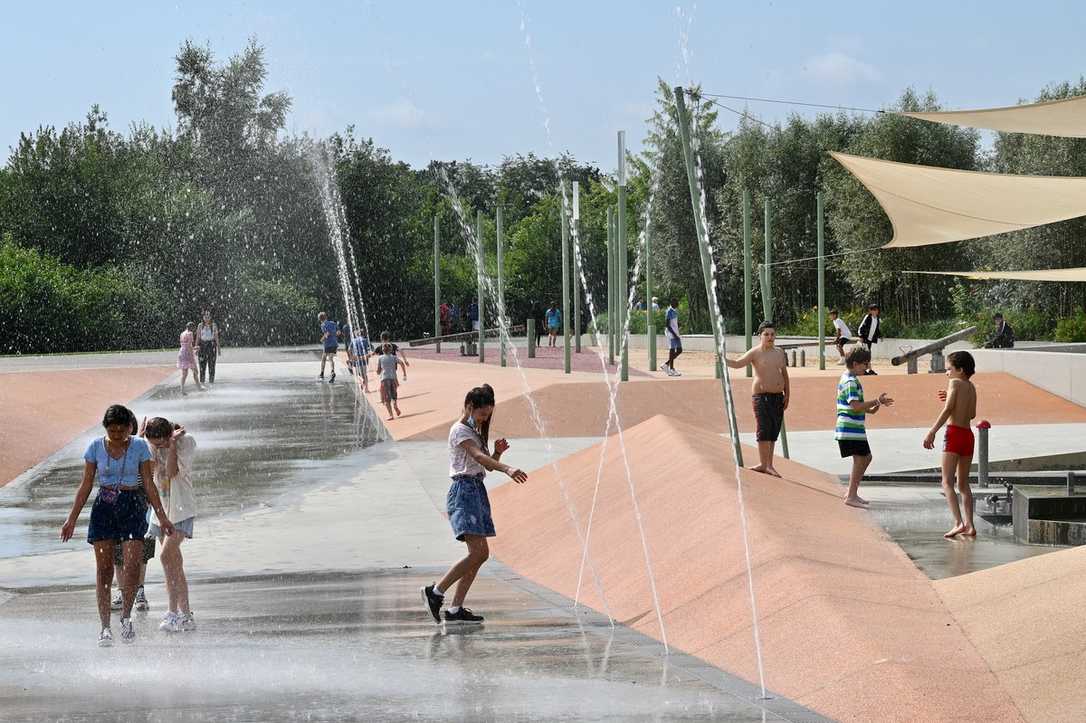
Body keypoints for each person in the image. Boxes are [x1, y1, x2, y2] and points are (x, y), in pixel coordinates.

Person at [60, 405, 175, 646]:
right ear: (106, 429)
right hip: (104, 507)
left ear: (129, 428)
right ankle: (104, 627)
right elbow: (86, 485)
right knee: (104, 570)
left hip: (132, 505)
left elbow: (148, 483)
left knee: (132, 565)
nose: (117, 436)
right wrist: (71, 519)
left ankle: (126, 617)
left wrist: (162, 516)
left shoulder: (139, 446)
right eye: (112, 431)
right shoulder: (95, 447)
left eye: (121, 431)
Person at [421, 384, 528, 626]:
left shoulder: (473, 431)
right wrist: (508, 469)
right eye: (481, 414)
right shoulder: (460, 430)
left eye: (487, 415)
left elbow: (486, 464)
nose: (484, 419)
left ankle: (455, 609)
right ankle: (435, 592)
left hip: (476, 490)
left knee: (480, 555)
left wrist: (498, 454)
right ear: (469, 406)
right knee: (478, 553)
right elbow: (478, 457)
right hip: (464, 492)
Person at [143, 416, 198, 632]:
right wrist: (141, 441)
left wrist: (172, 445)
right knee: (174, 565)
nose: (158, 448)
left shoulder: (186, 442)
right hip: (161, 513)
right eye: (154, 444)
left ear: (169, 436)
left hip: (181, 509)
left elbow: (172, 471)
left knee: (166, 556)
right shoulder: (150, 445)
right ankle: (186, 615)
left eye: (161, 443)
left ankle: (172, 613)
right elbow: (146, 472)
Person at [924, 351, 979, 538]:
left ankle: (958, 523)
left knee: (947, 481)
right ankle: (970, 525)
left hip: (954, 434)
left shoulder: (954, 382)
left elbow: (948, 409)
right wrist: (952, 397)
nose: (947, 373)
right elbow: (972, 414)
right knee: (963, 484)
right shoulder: (971, 386)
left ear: (960, 370)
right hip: (968, 435)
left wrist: (932, 431)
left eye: (949, 369)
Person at [725, 321, 789, 477]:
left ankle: (769, 464)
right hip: (761, 396)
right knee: (763, 429)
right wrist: (723, 359)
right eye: (766, 334)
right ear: (760, 336)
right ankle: (763, 464)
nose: (770, 337)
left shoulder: (779, 352)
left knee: (773, 431)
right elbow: (738, 363)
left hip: (778, 397)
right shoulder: (755, 352)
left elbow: (784, 374)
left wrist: (787, 394)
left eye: (772, 334)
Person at [835, 347, 894, 508]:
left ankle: (852, 493)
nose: (867, 368)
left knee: (864, 458)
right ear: (855, 364)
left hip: (853, 428)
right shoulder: (850, 382)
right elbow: (855, 406)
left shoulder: (849, 378)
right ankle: (851, 495)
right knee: (863, 458)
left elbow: (855, 406)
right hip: (850, 428)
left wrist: (872, 408)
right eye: (865, 364)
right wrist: (876, 401)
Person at [377, 343, 406, 420]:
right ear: (391, 350)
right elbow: (402, 363)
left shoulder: (380, 358)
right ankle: (395, 405)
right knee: (394, 395)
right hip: (393, 379)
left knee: (386, 398)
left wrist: (378, 372)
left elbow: (378, 370)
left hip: (384, 379)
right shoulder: (394, 357)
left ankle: (391, 415)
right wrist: (404, 374)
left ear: (382, 350)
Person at [195, 310, 220, 386]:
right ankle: (202, 381)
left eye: (208, 317)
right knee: (202, 363)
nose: (206, 318)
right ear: (203, 317)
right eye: (205, 317)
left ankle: (211, 381)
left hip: (211, 345)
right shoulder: (200, 325)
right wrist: (196, 348)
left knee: (212, 363)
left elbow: (216, 337)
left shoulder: (214, 325)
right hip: (202, 345)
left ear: (210, 317)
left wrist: (218, 348)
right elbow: (198, 337)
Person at [856, 304, 882, 375]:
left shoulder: (877, 318)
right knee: (866, 354)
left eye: (877, 310)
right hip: (864, 338)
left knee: (867, 354)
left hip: (869, 339)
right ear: (870, 311)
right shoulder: (868, 317)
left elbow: (876, 329)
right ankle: (864, 370)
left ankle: (869, 370)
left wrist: (880, 335)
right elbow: (861, 327)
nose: (876, 311)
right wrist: (861, 336)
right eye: (874, 310)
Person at [177, 322, 201, 395]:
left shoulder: (182, 333)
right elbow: (189, 346)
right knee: (196, 371)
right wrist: (194, 351)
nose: (194, 330)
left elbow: (184, 345)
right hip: (187, 353)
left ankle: (182, 389)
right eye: (194, 328)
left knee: (184, 373)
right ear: (192, 328)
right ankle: (199, 387)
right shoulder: (190, 333)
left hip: (181, 352)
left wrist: (193, 348)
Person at [662, 299, 683, 377]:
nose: (677, 303)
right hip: (671, 334)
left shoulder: (674, 311)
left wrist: (679, 324)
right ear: (672, 303)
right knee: (672, 350)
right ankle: (671, 369)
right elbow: (667, 325)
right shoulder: (669, 311)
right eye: (676, 302)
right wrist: (674, 335)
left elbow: (673, 323)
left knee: (679, 350)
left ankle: (666, 365)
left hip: (676, 333)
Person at [317, 312, 338, 383]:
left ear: (320, 319)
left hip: (328, 344)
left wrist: (322, 339)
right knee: (331, 358)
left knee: (323, 359)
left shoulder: (323, 325)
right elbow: (337, 332)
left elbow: (327, 333)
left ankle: (322, 373)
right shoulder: (332, 323)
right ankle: (332, 372)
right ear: (326, 317)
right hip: (334, 343)